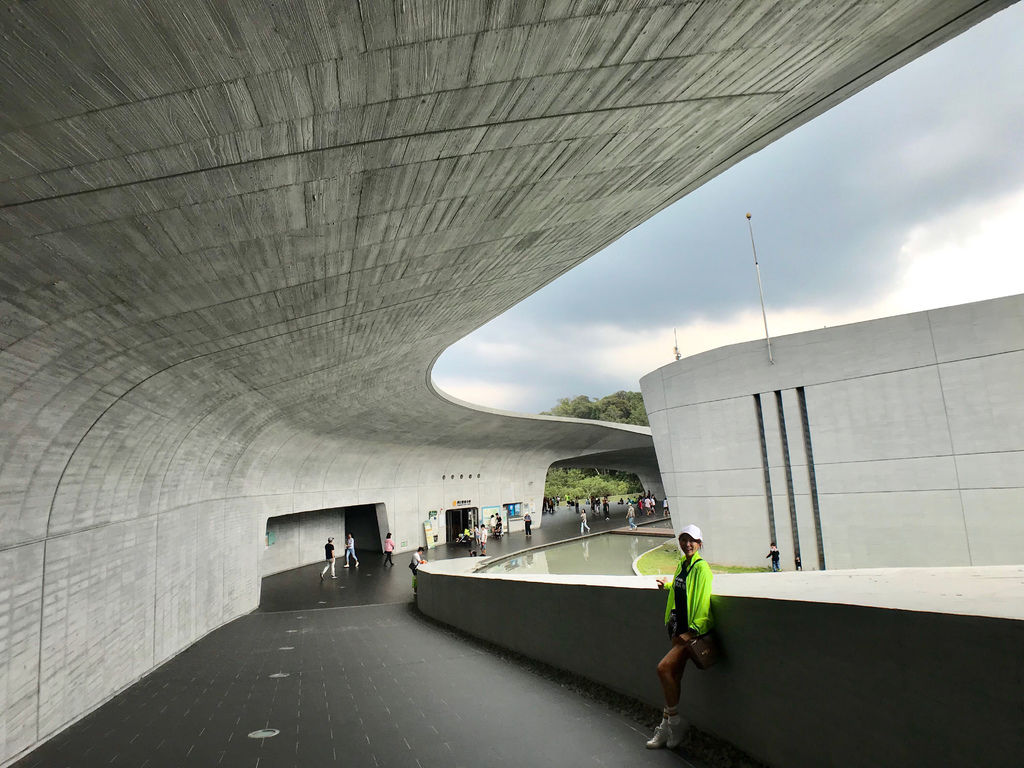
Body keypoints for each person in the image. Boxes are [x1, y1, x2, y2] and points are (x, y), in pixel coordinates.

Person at [648, 524, 714, 750]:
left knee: (663, 669)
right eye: (684, 539)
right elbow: (681, 589)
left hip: (690, 634)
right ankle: (666, 727)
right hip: (677, 629)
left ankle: (676, 723)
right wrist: (666, 585)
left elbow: (703, 600)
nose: (687, 544)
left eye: (692, 540)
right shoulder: (682, 565)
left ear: (699, 544)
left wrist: (693, 630)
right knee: (674, 678)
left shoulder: (702, 568)